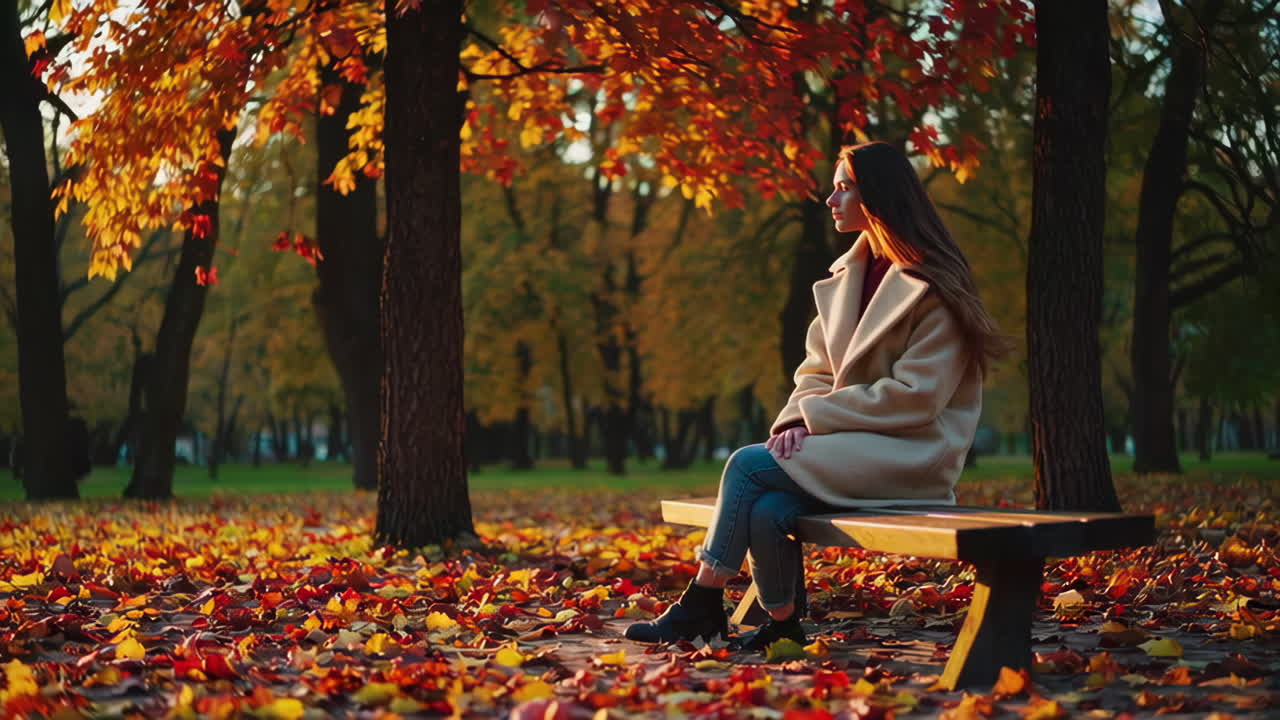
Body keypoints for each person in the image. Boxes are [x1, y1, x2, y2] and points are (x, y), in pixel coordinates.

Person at [625, 140, 1008, 651]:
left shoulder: (935, 287)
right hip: (848, 445)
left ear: (879, 198)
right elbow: (815, 371)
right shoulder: (845, 278)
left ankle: (700, 604)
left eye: (844, 188)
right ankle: (782, 623)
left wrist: (815, 418)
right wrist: (793, 423)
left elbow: (917, 397)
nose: (831, 200)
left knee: (744, 465)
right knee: (767, 509)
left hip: (913, 453)